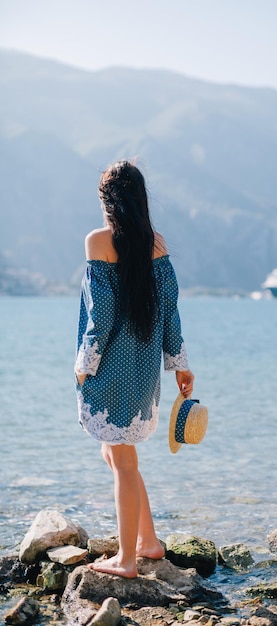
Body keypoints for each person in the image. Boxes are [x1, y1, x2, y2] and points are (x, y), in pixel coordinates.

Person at [74, 160, 194, 578]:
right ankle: (149, 543)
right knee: (116, 454)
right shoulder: (155, 244)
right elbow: (170, 310)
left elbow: (100, 313)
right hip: (142, 371)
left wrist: (84, 366)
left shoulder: (98, 241)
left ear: (107, 200)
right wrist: (179, 363)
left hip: (110, 368)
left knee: (121, 460)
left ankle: (127, 561)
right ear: (140, 199)